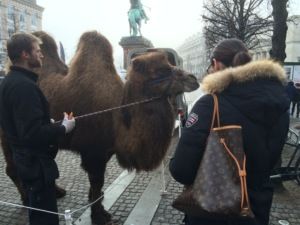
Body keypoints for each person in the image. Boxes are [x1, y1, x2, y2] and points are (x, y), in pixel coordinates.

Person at [169, 38, 290, 225]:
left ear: (215, 64)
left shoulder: (210, 104)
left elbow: (181, 171)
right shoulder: (280, 105)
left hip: (214, 213)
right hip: (257, 209)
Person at [0, 33, 75, 225]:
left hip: (26, 163)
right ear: (25, 54)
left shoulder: (10, 81)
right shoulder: (24, 87)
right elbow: (32, 135)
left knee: (38, 214)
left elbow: (20, 125)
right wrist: (63, 128)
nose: (41, 55)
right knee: (45, 219)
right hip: (36, 166)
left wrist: (45, 122)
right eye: (38, 51)